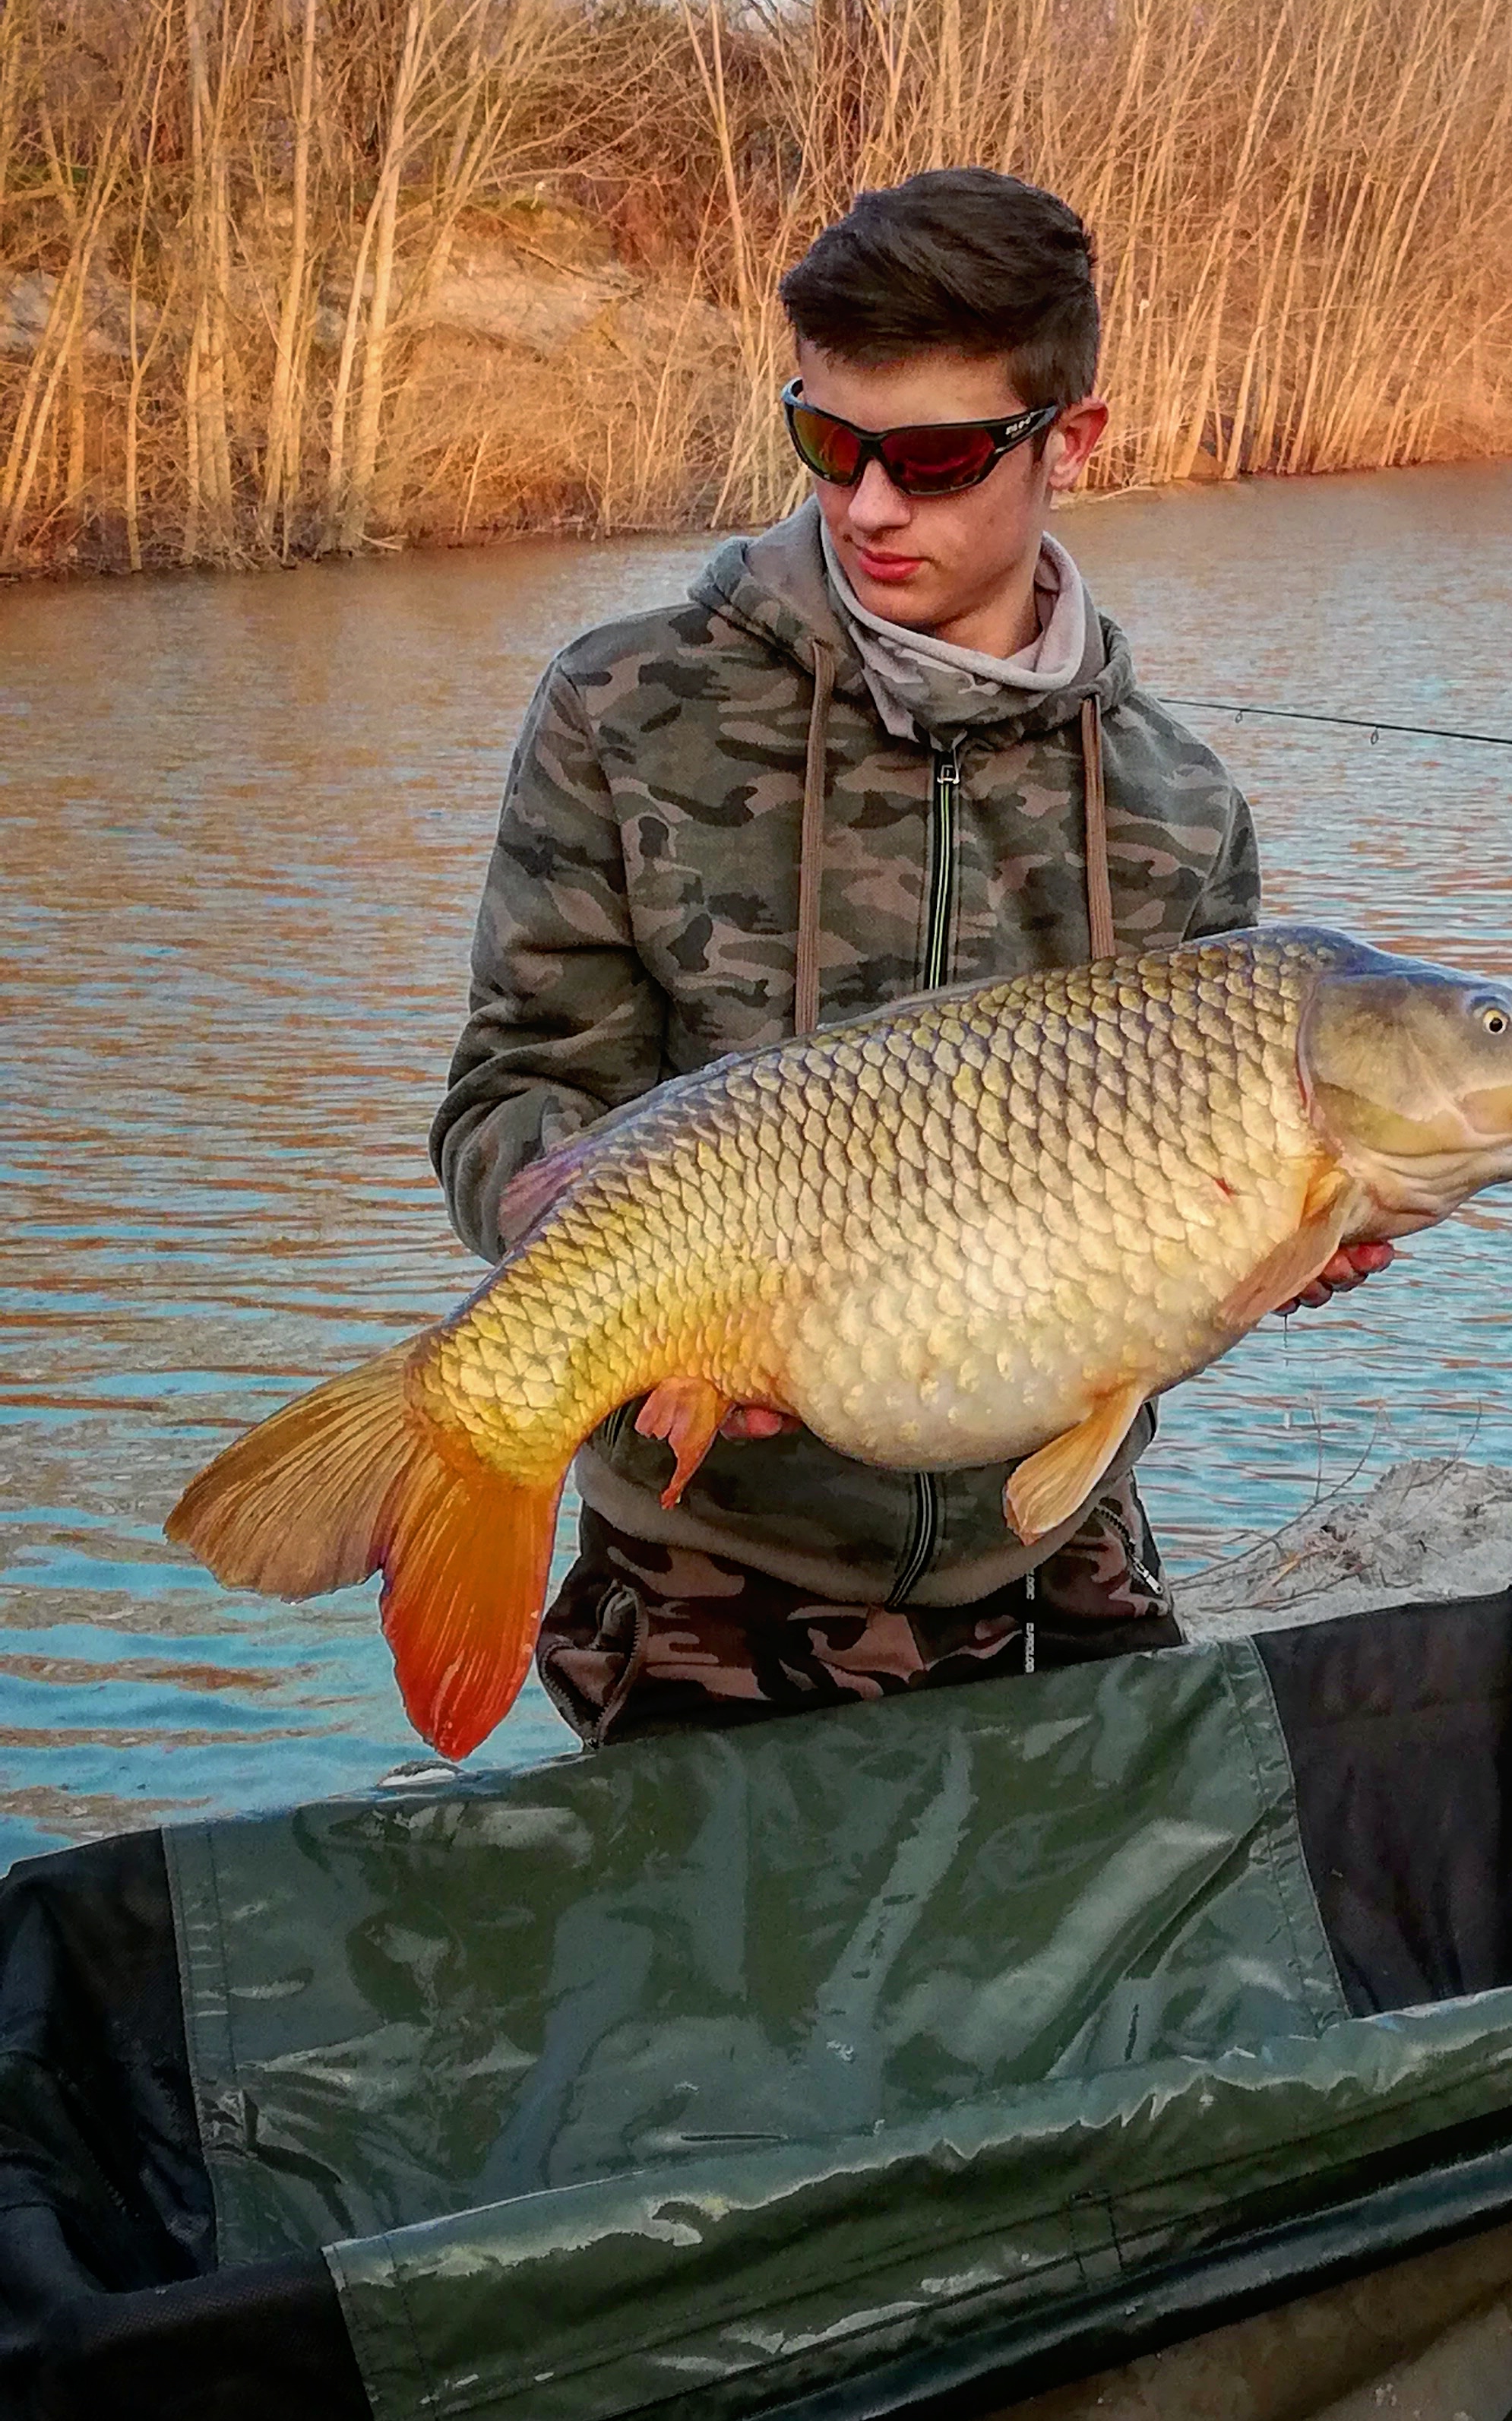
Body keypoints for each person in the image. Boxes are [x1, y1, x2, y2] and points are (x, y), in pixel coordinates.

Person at [432, 169, 1387, 1742]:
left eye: (934, 460)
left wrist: (1283, 1246)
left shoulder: (1174, 804)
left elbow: (1171, 1254)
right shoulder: (625, 710)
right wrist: (639, 1280)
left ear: (1072, 440)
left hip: (1062, 1554)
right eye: (830, 443)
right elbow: (512, 1096)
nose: (870, 506)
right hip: (711, 1566)